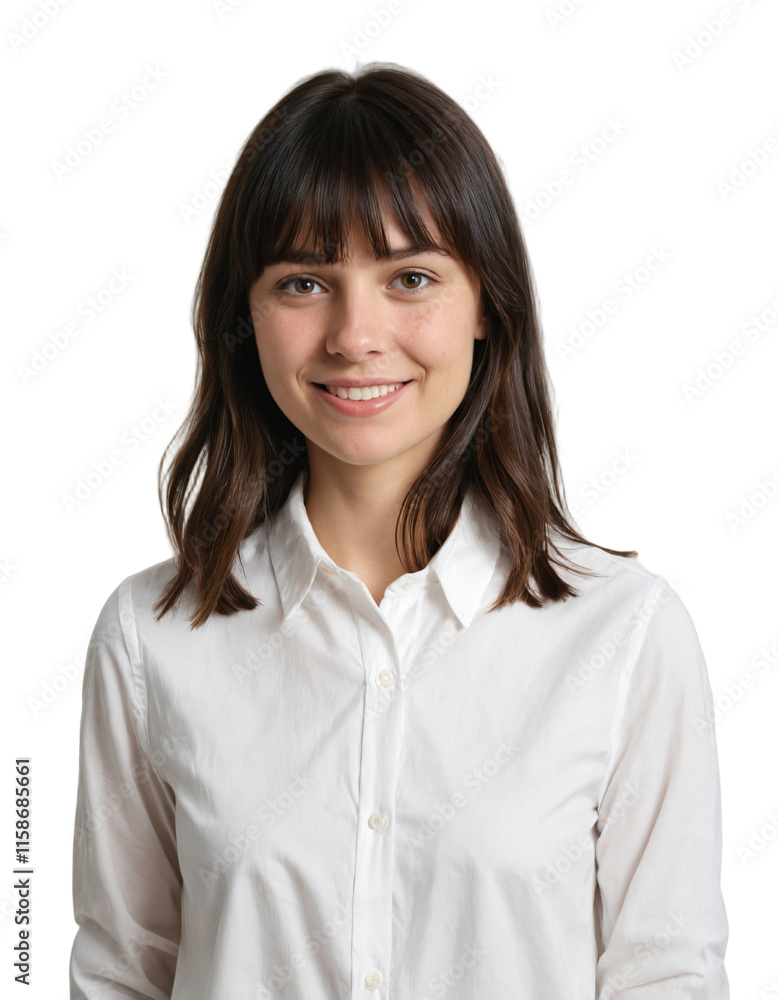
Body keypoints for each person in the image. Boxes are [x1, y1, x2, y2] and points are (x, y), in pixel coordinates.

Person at [69, 62, 730, 999]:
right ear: (244, 314)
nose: (354, 335)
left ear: (487, 303)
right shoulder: (150, 640)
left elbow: (668, 978)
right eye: (304, 282)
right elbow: (120, 974)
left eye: (411, 277)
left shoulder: (624, 637)